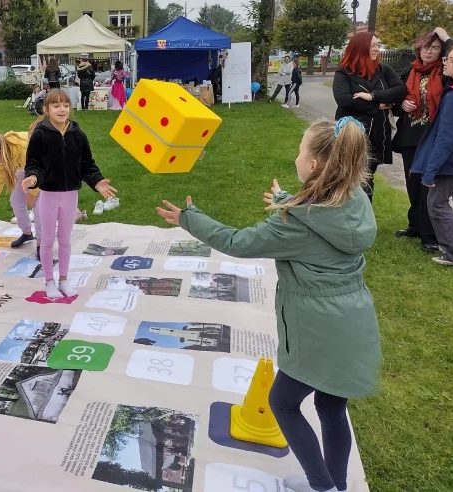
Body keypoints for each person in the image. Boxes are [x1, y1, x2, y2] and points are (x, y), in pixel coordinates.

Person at [157, 117, 381, 492]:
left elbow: (237, 242)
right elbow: (321, 216)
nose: (297, 157)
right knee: (330, 407)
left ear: (314, 165)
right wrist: (285, 201)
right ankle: (338, 485)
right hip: (353, 322)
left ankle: (323, 486)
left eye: (301, 151)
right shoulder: (354, 199)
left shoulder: (297, 223)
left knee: (283, 403)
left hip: (317, 330)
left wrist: (188, 218)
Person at [21, 89, 117, 299]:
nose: (61, 109)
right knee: (46, 241)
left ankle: (63, 280)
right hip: (48, 196)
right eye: (56, 106)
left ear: (70, 108)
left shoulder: (78, 135)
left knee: (64, 240)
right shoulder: (40, 134)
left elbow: (87, 164)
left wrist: (97, 181)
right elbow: (34, 163)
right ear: (46, 110)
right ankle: (49, 281)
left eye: (65, 105)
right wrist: (33, 178)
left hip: (70, 195)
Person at [392, 27, 453, 252]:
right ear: (419, 48)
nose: (429, 52)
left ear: (442, 51)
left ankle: (430, 236)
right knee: (412, 183)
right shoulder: (410, 71)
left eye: (435, 48)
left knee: (429, 185)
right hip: (410, 135)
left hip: (433, 136)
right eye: (426, 47)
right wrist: (401, 104)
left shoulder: (447, 73)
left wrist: (446, 38)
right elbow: (395, 95)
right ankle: (415, 225)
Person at [410, 42, 453, 266]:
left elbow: (446, 137)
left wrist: (430, 171)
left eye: (449, 58)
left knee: (436, 203)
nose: (444, 62)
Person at [333, 32, 407, 202]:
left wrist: (372, 96)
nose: (376, 48)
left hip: (378, 132)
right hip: (352, 132)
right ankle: (344, 212)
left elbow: (400, 90)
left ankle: (364, 217)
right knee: (348, 174)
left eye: (377, 44)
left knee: (368, 175)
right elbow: (344, 100)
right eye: (373, 45)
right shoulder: (344, 73)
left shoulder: (383, 70)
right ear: (360, 47)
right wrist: (377, 105)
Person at [0, 131, 41, 253]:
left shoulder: (24, 149)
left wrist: (32, 194)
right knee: (16, 200)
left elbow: (43, 168)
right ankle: (27, 233)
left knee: (39, 207)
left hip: (44, 167)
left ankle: (41, 244)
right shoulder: (2, 156)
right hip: (24, 167)